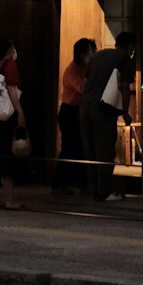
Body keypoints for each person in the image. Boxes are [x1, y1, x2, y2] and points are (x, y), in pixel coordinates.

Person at [80, 32, 135, 202]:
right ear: (129, 46)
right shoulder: (124, 59)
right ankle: (104, 190)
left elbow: (84, 81)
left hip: (85, 105)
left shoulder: (98, 55)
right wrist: (125, 111)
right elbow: (125, 86)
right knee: (104, 148)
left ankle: (91, 187)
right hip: (102, 108)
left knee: (89, 148)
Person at [0, 36, 26, 209]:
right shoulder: (9, 65)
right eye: (13, 47)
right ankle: (10, 199)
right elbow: (11, 90)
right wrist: (20, 111)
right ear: (9, 50)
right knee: (5, 155)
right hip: (3, 118)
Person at [54, 37, 96, 192]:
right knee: (68, 148)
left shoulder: (84, 68)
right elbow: (83, 89)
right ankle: (60, 183)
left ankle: (77, 182)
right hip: (69, 112)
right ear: (82, 54)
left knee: (79, 147)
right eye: (90, 52)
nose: (93, 55)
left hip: (78, 111)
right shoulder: (72, 70)